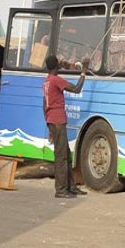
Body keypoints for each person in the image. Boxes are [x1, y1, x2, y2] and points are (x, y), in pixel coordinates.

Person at [43, 54, 89, 199]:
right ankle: (61, 189)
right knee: (62, 156)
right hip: (57, 120)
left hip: (52, 121)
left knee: (65, 155)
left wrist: (48, 124)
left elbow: (44, 104)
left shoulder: (47, 81)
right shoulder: (56, 80)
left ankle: (71, 186)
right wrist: (84, 72)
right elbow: (76, 89)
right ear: (56, 66)